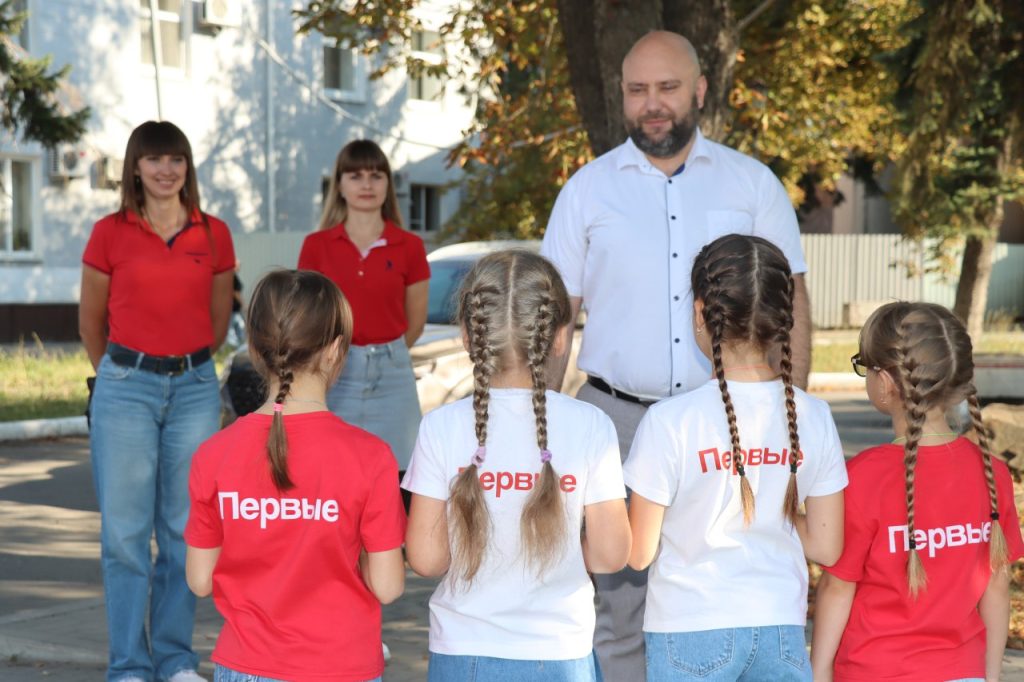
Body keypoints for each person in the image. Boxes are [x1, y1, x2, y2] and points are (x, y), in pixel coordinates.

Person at [540, 30, 812, 678]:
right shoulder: (586, 190)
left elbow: (792, 303)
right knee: (615, 604)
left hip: (727, 420)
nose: (653, 104)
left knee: (727, 595)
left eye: (667, 88)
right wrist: (541, 427)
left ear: (700, 89)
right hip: (614, 423)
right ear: (622, 95)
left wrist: (790, 411)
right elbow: (554, 319)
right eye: (638, 90)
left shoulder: (752, 184)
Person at [624, 234, 846, 681]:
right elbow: (826, 546)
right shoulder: (814, 416)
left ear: (700, 312)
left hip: (688, 628)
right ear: (783, 321)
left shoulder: (668, 421)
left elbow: (638, 553)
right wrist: (772, 506)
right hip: (779, 627)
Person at [402, 250, 632, 682]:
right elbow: (611, 554)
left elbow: (426, 559)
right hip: (561, 653)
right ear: (559, 337)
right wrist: (565, 555)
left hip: (463, 652)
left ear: (468, 336)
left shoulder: (440, 427)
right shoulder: (591, 425)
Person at [184, 269, 406, 682]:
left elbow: (199, 580)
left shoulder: (212, 454)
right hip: (343, 666)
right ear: (335, 351)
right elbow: (388, 586)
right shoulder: (371, 457)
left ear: (255, 348)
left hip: (246, 665)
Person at [78, 120, 236, 682]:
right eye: (154, 160)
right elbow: (91, 321)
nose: (165, 170)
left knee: (182, 530)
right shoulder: (108, 233)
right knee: (124, 536)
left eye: (175, 160)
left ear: (188, 167)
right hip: (126, 387)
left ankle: (173, 659)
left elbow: (218, 321)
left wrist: (183, 362)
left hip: (194, 388)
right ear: (135, 168)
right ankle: (128, 664)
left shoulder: (214, 234)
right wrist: (124, 374)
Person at [810, 302, 1024, 682]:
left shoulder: (863, 477)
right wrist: (989, 675)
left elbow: (838, 588)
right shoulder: (994, 474)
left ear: (885, 382)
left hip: (873, 672)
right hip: (963, 672)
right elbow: (996, 584)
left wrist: (820, 670)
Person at [298, 139, 430, 498]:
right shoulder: (316, 246)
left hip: (393, 373)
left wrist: (383, 354)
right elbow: (309, 317)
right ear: (339, 185)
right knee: (331, 476)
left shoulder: (410, 246)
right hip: (333, 373)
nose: (367, 185)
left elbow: (415, 322)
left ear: (388, 184)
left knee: (399, 479)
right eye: (355, 176)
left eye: (376, 175)